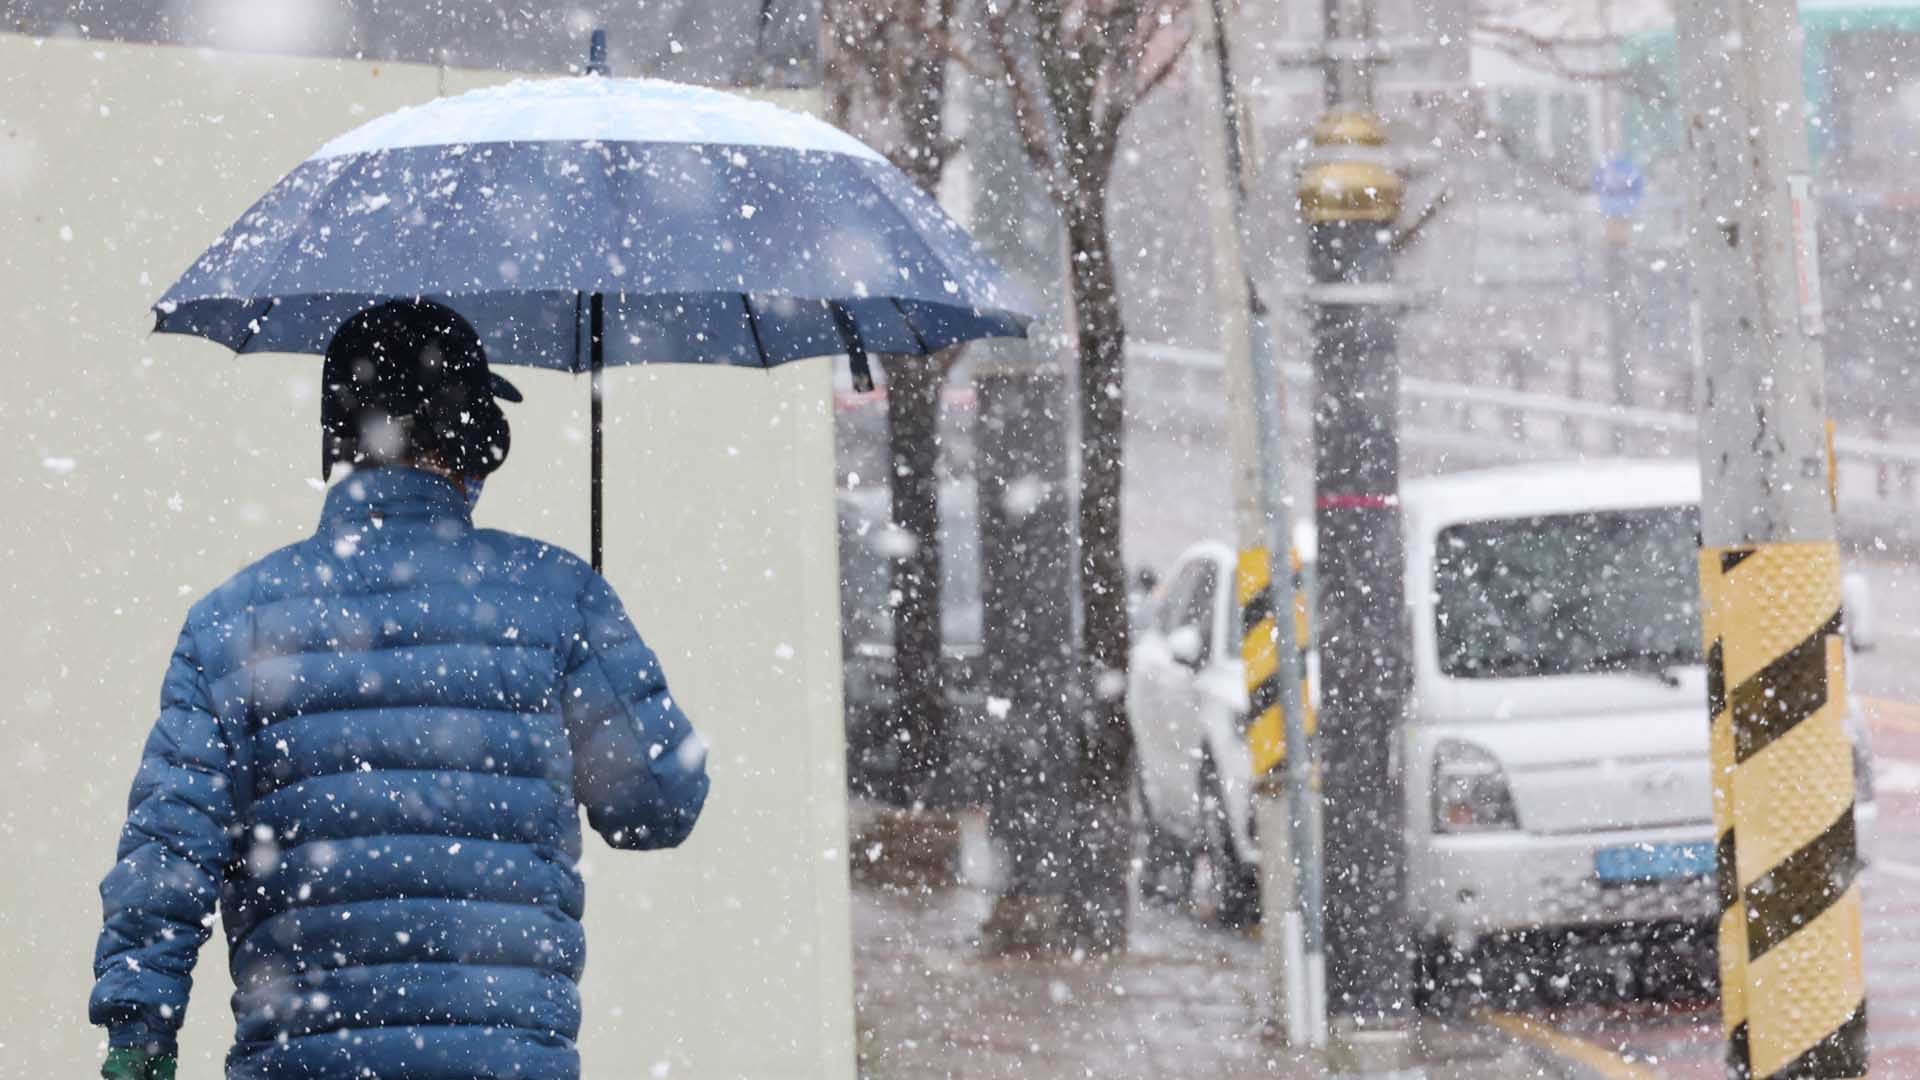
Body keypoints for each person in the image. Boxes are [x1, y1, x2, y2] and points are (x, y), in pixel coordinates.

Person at [88, 299, 710, 1080]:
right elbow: (659, 808)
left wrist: (139, 1032)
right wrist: (609, 671)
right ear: (480, 440)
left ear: (336, 441)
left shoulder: (232, 623)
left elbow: (167, 853)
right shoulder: (556, 598)